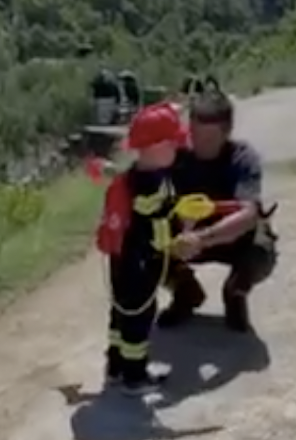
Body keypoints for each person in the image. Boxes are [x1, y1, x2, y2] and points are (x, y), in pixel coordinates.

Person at [158, 91, 278, 332]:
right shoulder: (176, 154)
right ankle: (185, 292)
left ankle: (235, 292)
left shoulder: (242, 158)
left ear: (227, 131)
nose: (200, 144)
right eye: (195, 135)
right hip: (188, 230)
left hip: (229, 236)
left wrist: (202, 239)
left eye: (209, 138)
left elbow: (248, 214)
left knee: (261, 249)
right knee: (141, 240)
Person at [95, 102, 188, 395]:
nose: (178, 149)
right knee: (140, 317)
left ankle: (115, 367)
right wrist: (177, 224)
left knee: (121, 313)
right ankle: (135, 377)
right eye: (174, 144)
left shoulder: (135, 173)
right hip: (141, 261)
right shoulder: (153, 184)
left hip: (120, 257)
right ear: (157, 147)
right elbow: (156, 220)